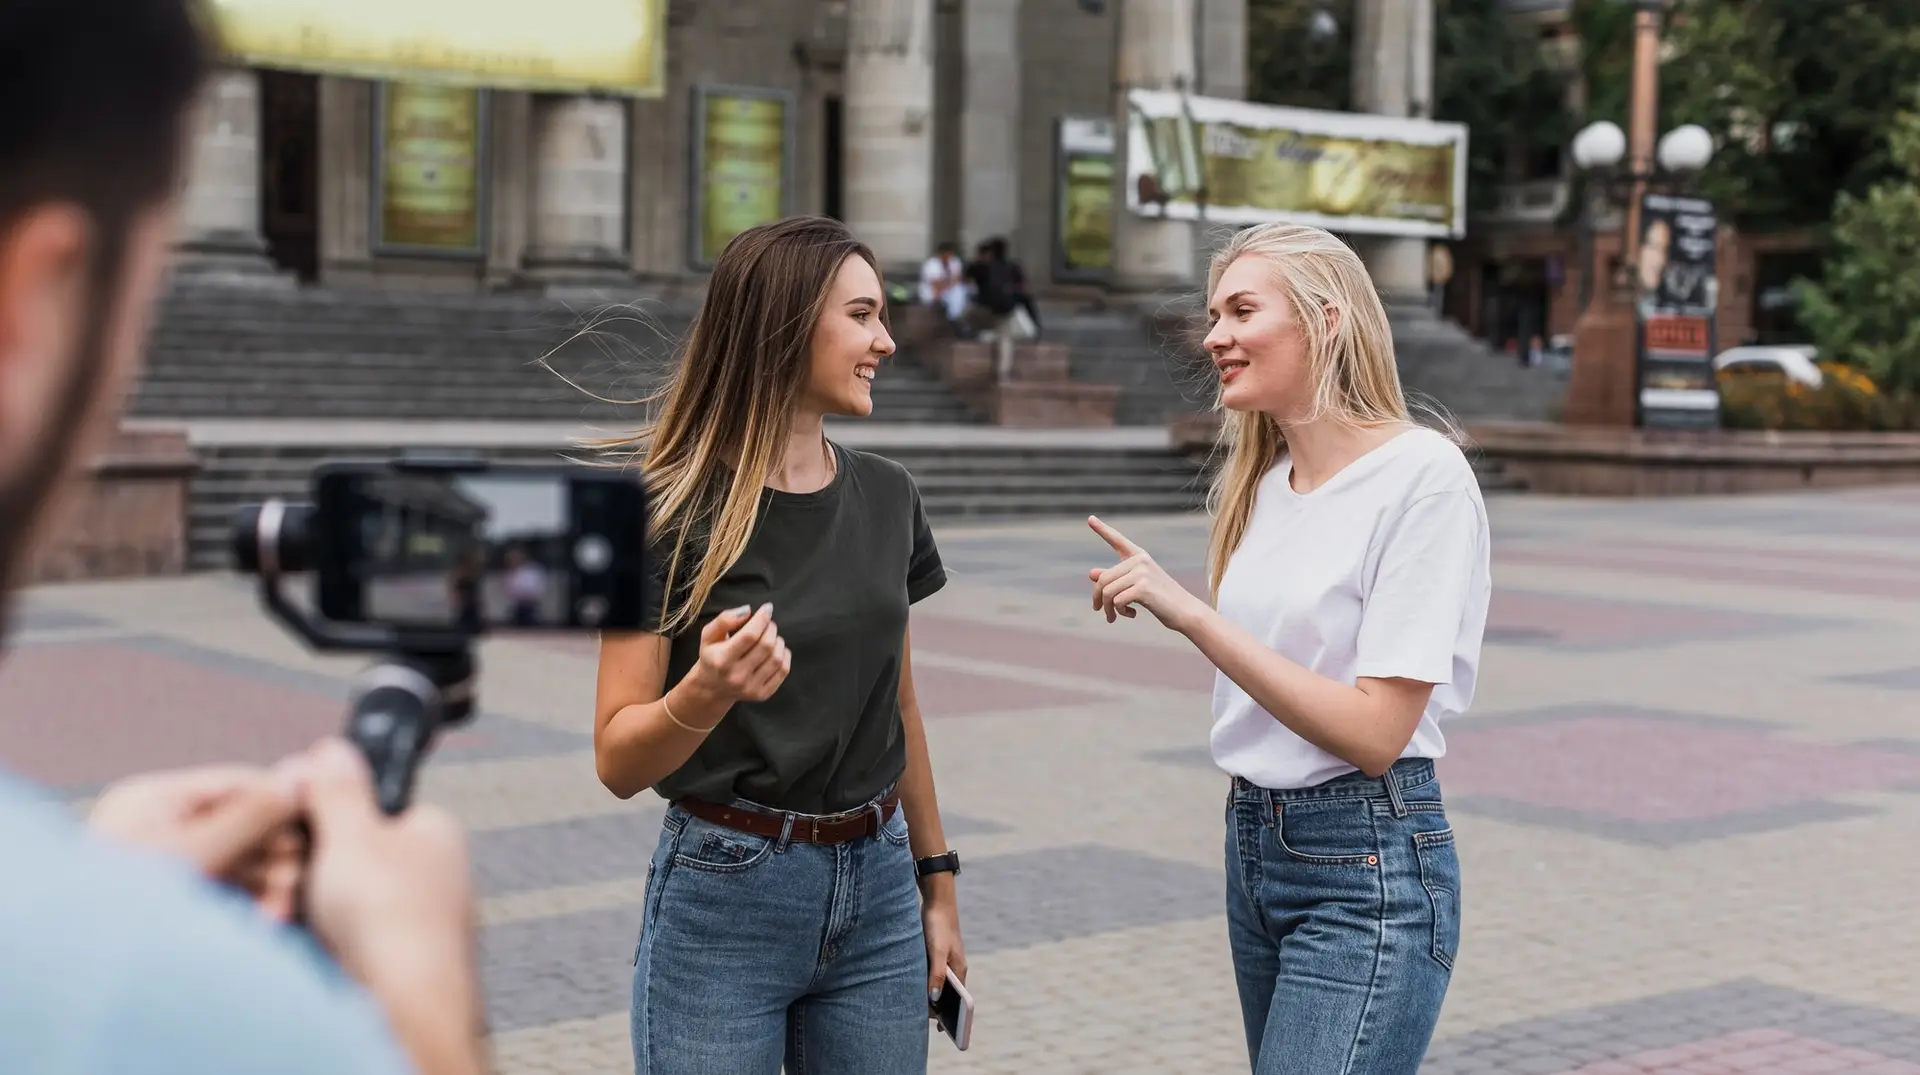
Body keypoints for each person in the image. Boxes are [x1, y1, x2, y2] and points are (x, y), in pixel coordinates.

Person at [0, 3, 486, 1073]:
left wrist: (97, 887)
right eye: (145, 297)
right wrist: (424, 999)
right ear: (24, 310)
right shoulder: (181, 1011)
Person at [1082, 222, 1489, 1075]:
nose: (1214, 336)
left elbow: (1376, 732)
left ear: (1326, 319)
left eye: (1241, 310)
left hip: (1366, 860)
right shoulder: (1263, 486)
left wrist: (1192, 616)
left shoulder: (1424, 476)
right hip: (1255, 844)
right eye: (1213, 315)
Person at [593, 215, 967, 1075]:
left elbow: (900, 706)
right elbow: (616, 759)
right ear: (786, 324)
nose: (886, 342)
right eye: (863, 316)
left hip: (879, 892)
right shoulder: (656, 513)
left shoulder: (890, 495)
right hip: (725, 895)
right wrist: (705, 691)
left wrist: (937, 884)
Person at [917, 240, 970, 328]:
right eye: (947, 253)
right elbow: (936, 284)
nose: (949, 255)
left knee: (960, 290)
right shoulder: (931, 264)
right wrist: (950, 282)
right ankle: (952, 319)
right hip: (931, 291)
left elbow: (958, 279)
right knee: (953, 292)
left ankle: (954, 318)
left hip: (948, 289)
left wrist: (949, 283)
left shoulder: (955, 262)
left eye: (951, 253)